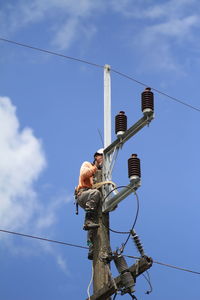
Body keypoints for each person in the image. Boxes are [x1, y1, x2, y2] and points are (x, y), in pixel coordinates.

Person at [75, 148, 104, 260]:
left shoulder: (101, 174)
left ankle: (91, 248)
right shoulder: (87, 164)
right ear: (96, 156)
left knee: (95, 223)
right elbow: (83, 175)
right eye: (101, 156)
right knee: (95, 193)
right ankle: (87, 220)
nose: (103, 159)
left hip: (92, 198)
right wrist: (96, 168)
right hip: (83, 194)